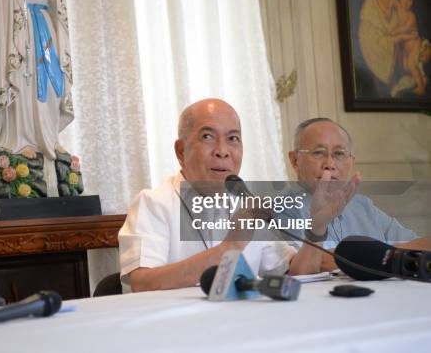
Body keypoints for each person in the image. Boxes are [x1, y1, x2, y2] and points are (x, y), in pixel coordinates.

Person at [118, 99, 352, 292]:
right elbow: (142, 283)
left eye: (233, 139)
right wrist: (229, 247)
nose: (222, 151)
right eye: (208, 137)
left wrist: (318, 228)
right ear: (181, 151)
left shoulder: (246, 203)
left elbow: (296, 273)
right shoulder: (153, 203)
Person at [285, 117, 431, 270]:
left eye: (339, 154)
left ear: (351, 162)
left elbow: (424, 246)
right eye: (318, 153)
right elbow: (311, 265)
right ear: (295, 160)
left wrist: (375, 256)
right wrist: (394, 255)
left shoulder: (362, 206)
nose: (330, 164)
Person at [0, 0, 74, 162]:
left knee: (49, 84)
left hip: (45, 30)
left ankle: (49, 137)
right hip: (22, 35)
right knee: (25, 84)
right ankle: (23, 140)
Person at [359, 0, 401, 95]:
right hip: (376, 57)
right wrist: (390, 40)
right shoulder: (370, 5)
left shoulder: (399, 0)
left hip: (399, 60)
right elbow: (367, 38)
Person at [389, 0, 429, 96]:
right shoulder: (397, 9)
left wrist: (395, 31)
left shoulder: (411, 16)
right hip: (406, 49)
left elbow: (405, 29)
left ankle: (421, 87)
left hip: (415, 46)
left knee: (411, 64)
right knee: (406, 67)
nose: (405, 1)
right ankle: (423, 79)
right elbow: (391, 2)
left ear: (413, 2)